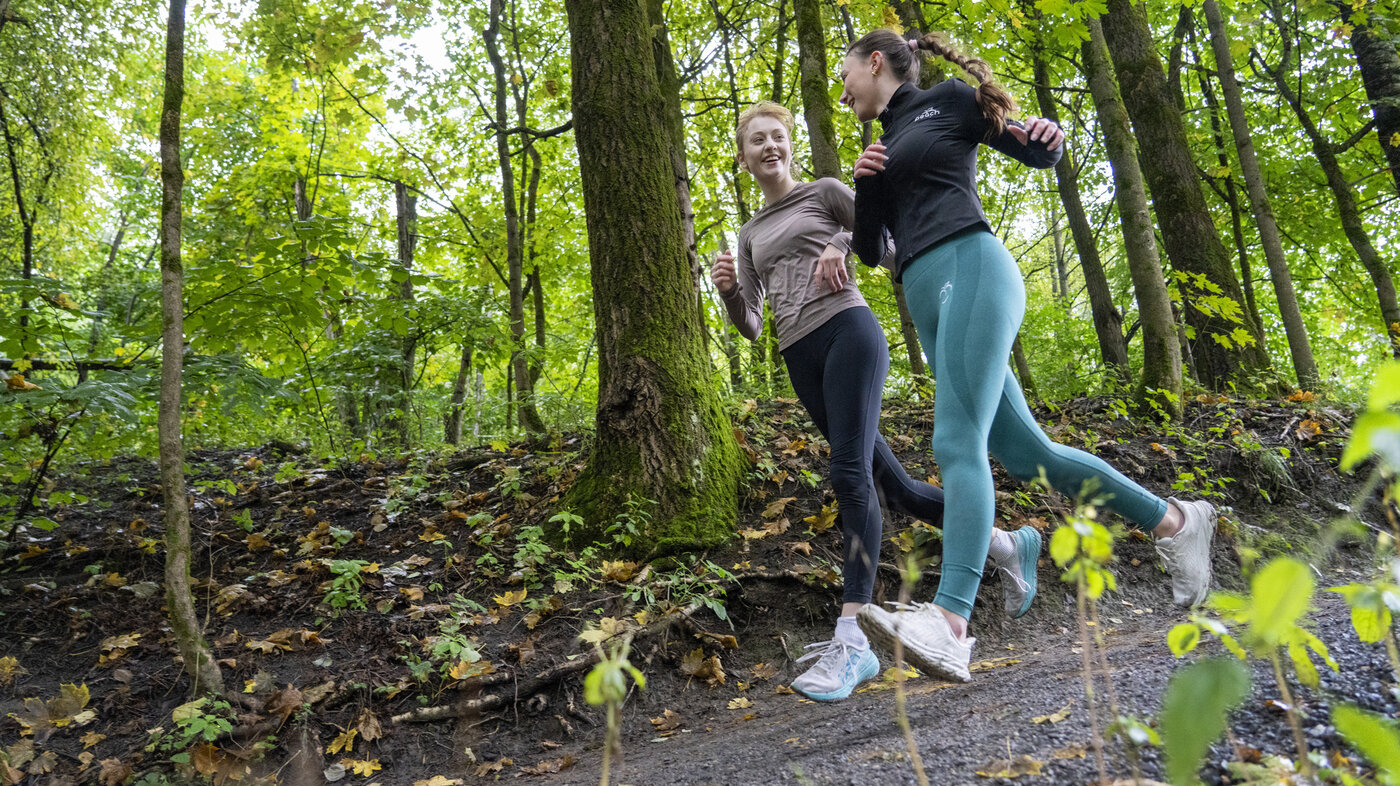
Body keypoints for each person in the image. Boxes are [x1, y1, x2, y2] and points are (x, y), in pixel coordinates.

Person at [837, 30, 1217, 683]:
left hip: (973, 266)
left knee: (957, 443)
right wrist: (866, 187)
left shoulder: (949, 102)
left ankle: (951, 622)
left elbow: (1034, 152)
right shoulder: (878, 148)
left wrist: (1049, 136)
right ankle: (1177, 522)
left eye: (845, 72)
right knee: (1027, 455)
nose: (841, 89)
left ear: (876, 61)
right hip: (930, 296)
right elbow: (872, 252)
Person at [711, 101, 1041, 702]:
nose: (769, 147)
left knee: (848, 474)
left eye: (778, 136)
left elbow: (885, 243)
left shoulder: (828, 191)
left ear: (790, 145)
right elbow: (753, 325)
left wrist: (840, 239)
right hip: (798, 355)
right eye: (756, 140)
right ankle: (1002, 543)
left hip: (849, 333)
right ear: (743, 155)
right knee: (892, 488)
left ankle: (853, 638)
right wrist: (731, 292)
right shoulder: (750, 232)